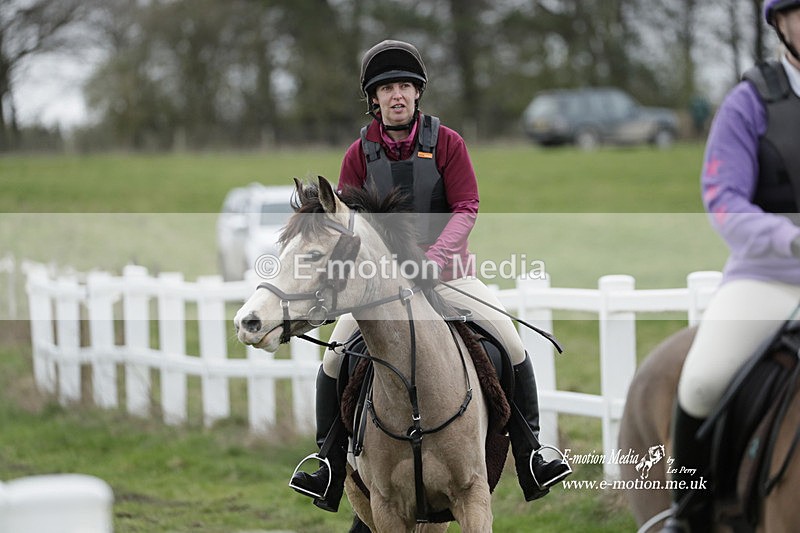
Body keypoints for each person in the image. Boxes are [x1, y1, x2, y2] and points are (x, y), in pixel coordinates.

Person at [289, 39, 571, 514]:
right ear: (373, 100)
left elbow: (466, 206)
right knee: (335, 360)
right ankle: (328, 463)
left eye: (404, 86)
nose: (396, 95)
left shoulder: (448, 143)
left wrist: (435, 258)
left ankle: (533, 453)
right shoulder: (358, 155)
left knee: (511, 341)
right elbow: (345, 223)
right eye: (386, 89)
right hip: (380, 288)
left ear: (417, 93)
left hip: (449, 276)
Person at [662, 1, 800, 531]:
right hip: (769, 277)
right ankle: (689, 512)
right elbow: (723, 197)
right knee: (702, 380)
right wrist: (788, 239)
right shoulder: (749, 104)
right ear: (779, 24)